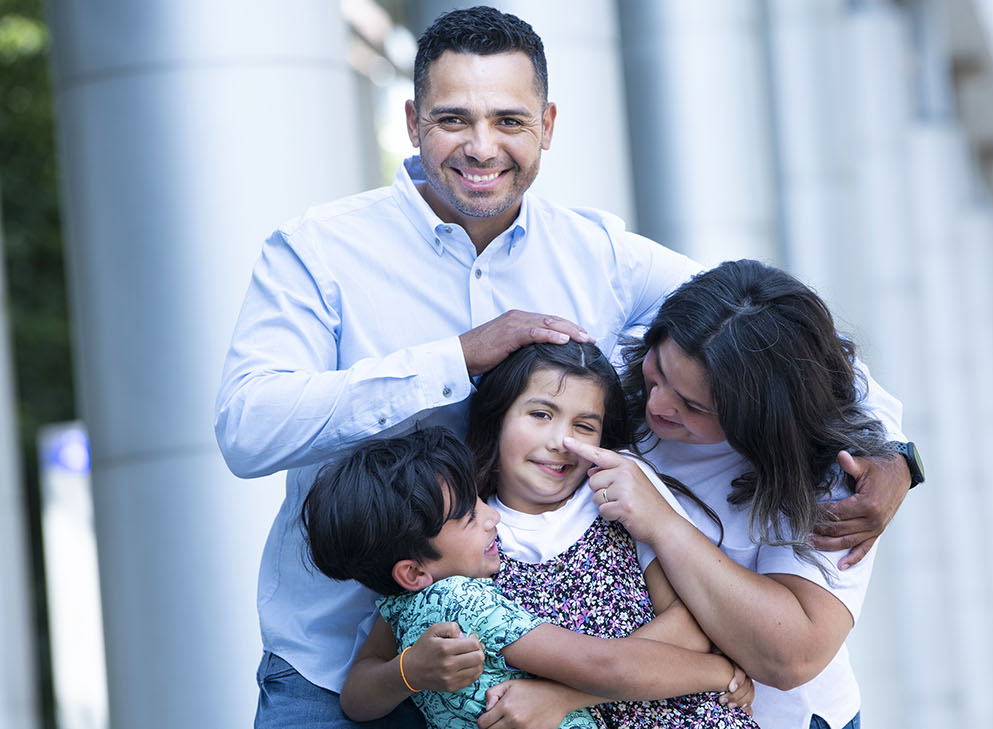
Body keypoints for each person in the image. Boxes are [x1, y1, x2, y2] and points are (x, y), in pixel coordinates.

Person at [214, 7, 912, 727]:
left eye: (510, 121)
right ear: (412, 119)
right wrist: (456, 358)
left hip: (533, 669)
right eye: (453, 119)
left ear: (548, 124)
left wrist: (894, 456)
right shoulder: (319, 250)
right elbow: (247, 427)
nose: (482, 147)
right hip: (340, 662)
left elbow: (771, 337)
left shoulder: (598, 256)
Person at [555, 260, 921, 729]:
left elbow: (793, 653)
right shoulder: (620, 376)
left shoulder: (834, 473)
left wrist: (662, 522)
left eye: (693, 405)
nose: (658, 404)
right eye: (659, 371)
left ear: (761, 416)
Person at [343, 340, 757, 729]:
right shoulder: (455, 535)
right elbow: (358, 694)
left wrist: (561, 696)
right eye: (541, 414)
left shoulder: (616, 493)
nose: (562, 441)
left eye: (584, 425)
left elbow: (692, 625)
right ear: (499, 415)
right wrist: (408, 672)